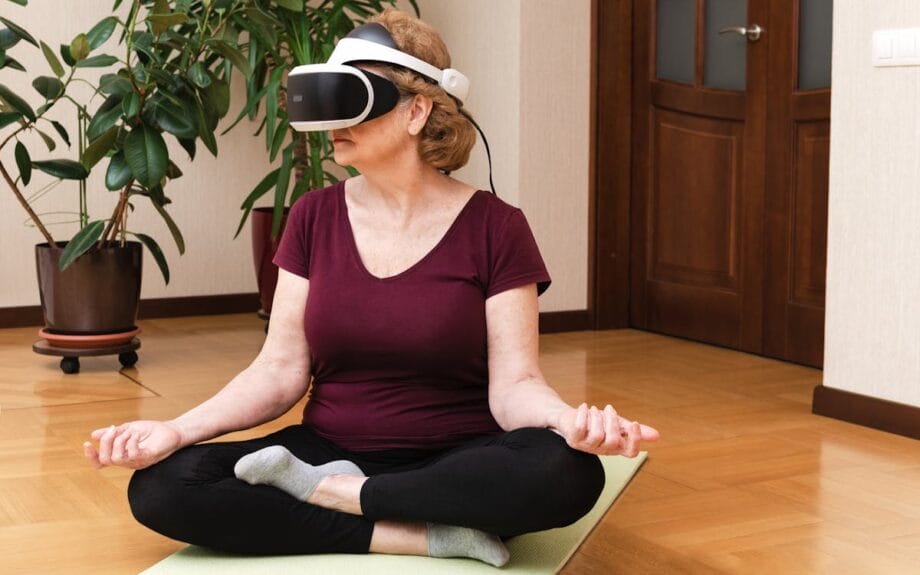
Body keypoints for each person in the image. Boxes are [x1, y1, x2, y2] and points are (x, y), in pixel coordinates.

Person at [83, 9, 659, 568]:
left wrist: (569, 421)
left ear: (416, 112)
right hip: (329, 448)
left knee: (569, 472)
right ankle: (411, 533)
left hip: (459, 458)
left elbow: (517, 385)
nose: (336, 125)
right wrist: (174, 429)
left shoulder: (496, 226)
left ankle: (344, 498)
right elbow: (278, 370)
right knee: (163, 485)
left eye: (352, 103)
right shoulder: (313, 216)